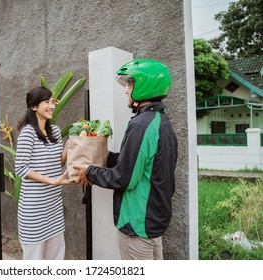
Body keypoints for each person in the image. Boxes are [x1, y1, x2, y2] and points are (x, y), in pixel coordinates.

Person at [74, 58, 178, 260]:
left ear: (144, 86)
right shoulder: (161, 122)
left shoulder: (141, 125)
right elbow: (142, 162)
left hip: (137, 224)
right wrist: (103, 156)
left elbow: (124, 178)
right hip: (153, 219)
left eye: (129, 84)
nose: (126, 90)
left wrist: (89, 171)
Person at [15, 86, 73, 260]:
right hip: (33, 210)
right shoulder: (28, 133)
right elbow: (21, 168)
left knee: (55, 258)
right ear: (34, 107)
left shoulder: (54, 130)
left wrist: (70, 144)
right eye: (46, 102)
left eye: (52, 102)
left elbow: (58, 162)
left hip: (53, 207)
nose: (51, 106)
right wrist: (52, 181)